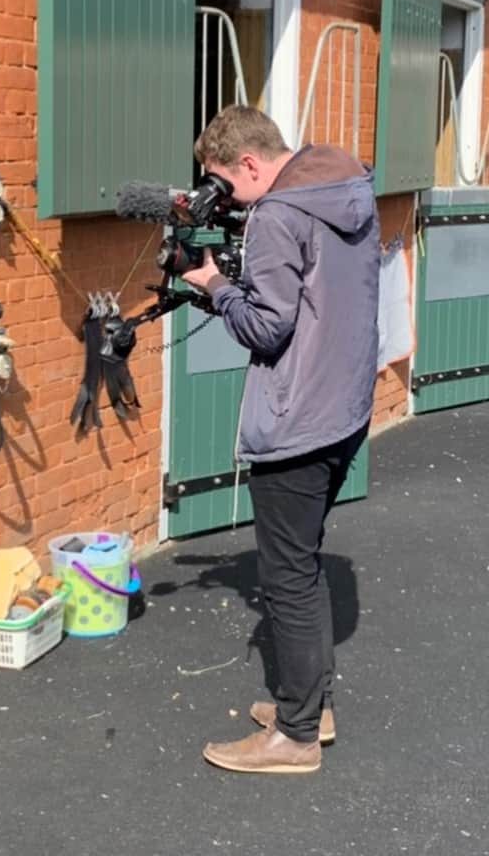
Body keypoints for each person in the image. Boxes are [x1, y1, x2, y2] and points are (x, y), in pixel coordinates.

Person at [180, 105, 381, 774]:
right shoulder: (347, 187)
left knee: (287, 579)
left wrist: (213, 286)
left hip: (297, 422)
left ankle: (295, 737)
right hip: (345, 409)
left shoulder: (277, 216)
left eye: (223, 184)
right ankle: (308, 704)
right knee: (304, 564)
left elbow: (267, 328)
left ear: (250, 165)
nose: (224, 200)